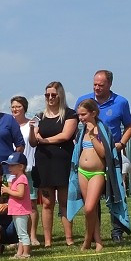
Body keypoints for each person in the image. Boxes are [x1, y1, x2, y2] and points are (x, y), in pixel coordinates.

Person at [75, 70, 131, 242]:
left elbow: (129, 126)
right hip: (90, 157)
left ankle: (117, 231)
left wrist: (120, 144)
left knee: (115, 192)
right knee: (91, 201)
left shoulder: (121, 102)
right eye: (95, 84)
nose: (97, 88)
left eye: (101, 85)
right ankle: (94, 234)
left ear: (110, 84)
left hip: (112, 155)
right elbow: (78, 126)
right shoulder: (83, 101)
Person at [31, 81, 78, 247]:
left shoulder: (70, 114)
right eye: (47, 95)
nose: (50, 98)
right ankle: (48, 241)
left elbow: (65, 136)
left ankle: (69, 238)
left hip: (63, 161)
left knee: (65, 202)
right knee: (47, 203)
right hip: (44, 163)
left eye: (53, 95)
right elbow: (33, 140)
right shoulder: (39, 116)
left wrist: (43, 140)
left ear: (60, 95)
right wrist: (32, 132)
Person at [72, 99, 107, 252]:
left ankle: (88, 238)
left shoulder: (101, 130)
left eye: (83, 115)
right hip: (82, 172)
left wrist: (93, 136)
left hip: (97, 173)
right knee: (89, 209)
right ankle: (97, 240)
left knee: (90, 207)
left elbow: (104, 153)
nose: (81, 118)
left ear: (93, 113)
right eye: (79, 115)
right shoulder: (81, 132)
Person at [9, 96, 40, 245]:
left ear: (24, 108)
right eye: (13, 107)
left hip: (29, 167)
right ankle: (19, 236)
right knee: (15, 205)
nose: (15, 109)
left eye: (18, 106)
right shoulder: (8, 125)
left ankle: (32, 235)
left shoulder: (31, 124)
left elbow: (34, 143)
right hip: (12, 170)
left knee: (31, 204)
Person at [2, 151, 31, 259]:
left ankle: (26, 253)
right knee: (20, 234)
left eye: (12, 165)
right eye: (9, 165)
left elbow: (20, 194)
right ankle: (19, 253)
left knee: (23, 233)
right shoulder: (15, 179)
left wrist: (7, 190)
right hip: (16, 210)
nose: (9, 167)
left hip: (21, 210)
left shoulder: (22, 178)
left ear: (21, 166)